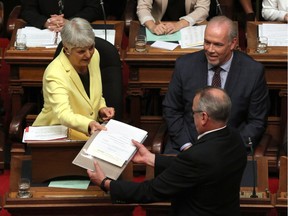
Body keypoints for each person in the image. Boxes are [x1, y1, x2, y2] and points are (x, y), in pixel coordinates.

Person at [88, 86, 247, 216]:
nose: (193, 117)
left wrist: (106, 183)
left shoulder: (197, 156)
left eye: (194, 112)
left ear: (204, 117)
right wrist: (151, 159)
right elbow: (196, 168)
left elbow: (151, 190)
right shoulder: (235, 139)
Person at [162, 15, 270, 154]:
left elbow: (257, 121)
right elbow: (171, 110)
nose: (210, 50)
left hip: (230, 150)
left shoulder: (253, 72)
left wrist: (226, 150)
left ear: (233, 43)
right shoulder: (184, 65)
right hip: (186, 146)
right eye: (207, 42)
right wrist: (186, 145)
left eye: (218, 44)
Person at [33, 17, 115, 139]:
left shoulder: (95, 55)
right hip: (57, 134)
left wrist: (101, 108)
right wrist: (88, 123)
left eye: (91, 47)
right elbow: (63, 114)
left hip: (88, 132)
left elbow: (93, 93)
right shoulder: (54, 73)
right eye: (81, 51)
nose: (88, 55)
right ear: (67, 49)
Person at [20, 0, 103, 32]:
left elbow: (94, 8)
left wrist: (70, 22)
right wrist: (46, 22)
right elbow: (27, 9)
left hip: (78, 30)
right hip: (46, 31)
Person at [136, 0, 210, 35]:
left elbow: (202, 9)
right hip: (158, 26)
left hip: (188, 26)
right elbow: (143, 7)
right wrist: (152, 26)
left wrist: (179, 24)